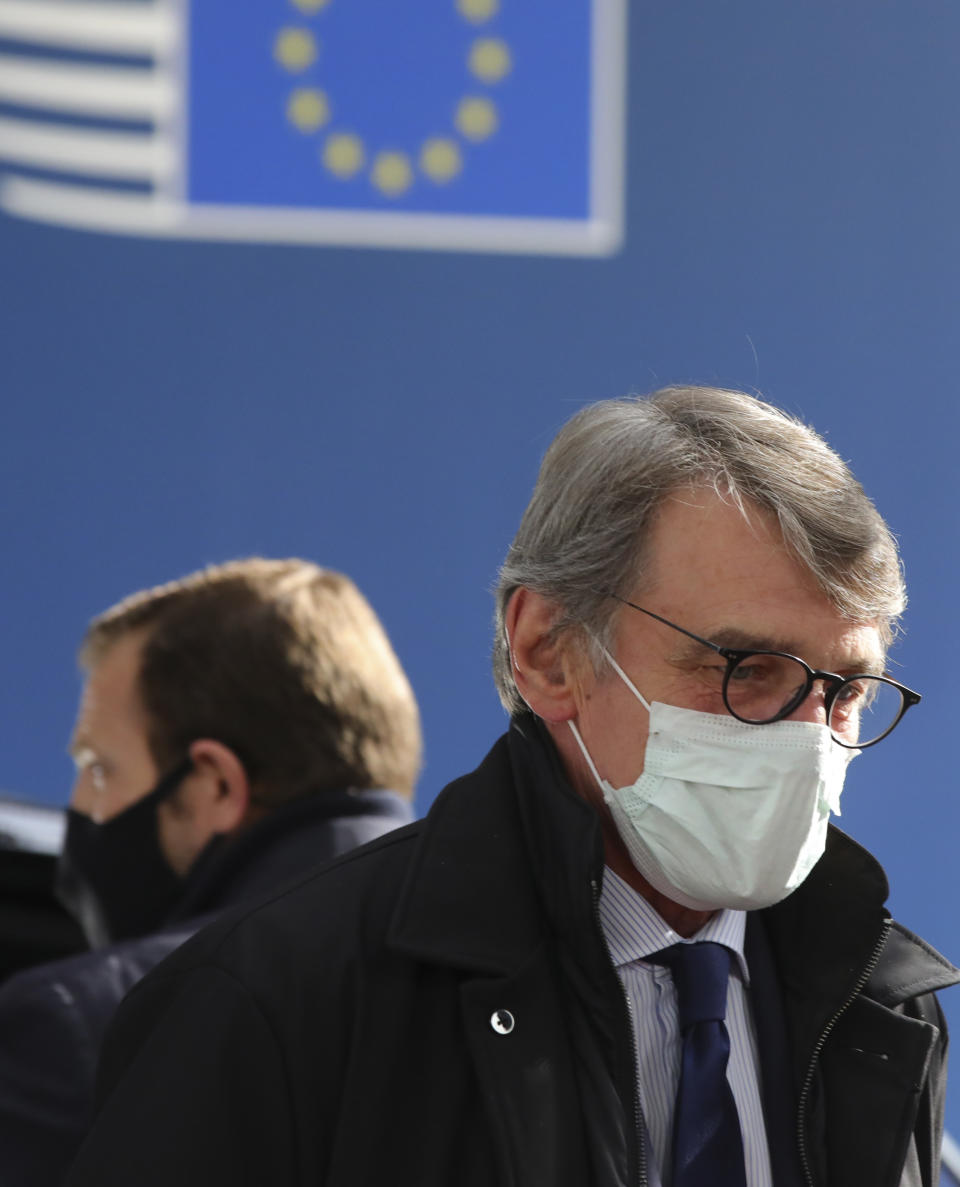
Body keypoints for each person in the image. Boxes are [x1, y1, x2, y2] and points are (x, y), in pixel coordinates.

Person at [66, 389, 957, 1187]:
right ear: (548, 651)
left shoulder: (880, 1005)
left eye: (844, 690)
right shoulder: (272, 1002)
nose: (806, 737)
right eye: (745, 668)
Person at [0, 558, 421, 1186]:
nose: (81, 807)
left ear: (215, 785)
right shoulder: (572, 1001)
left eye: (97, 768)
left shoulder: (84, 1027)